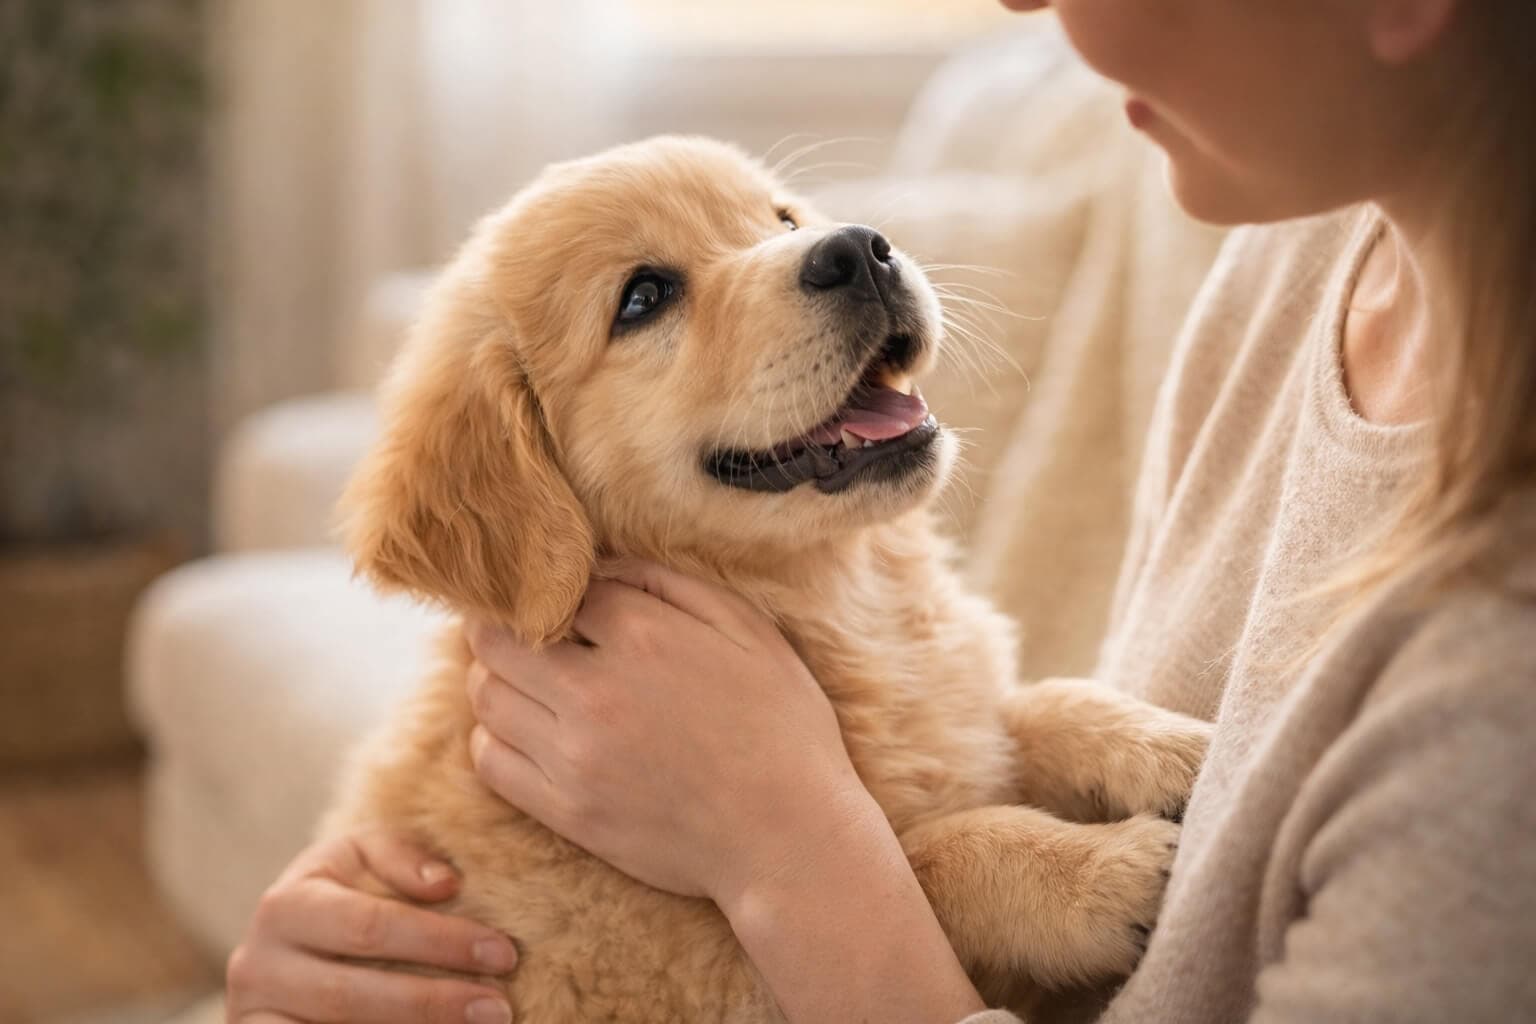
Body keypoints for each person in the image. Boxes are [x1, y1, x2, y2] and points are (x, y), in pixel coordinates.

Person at [224, 1, 1536, 1021]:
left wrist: (793, 851)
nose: (822, 248)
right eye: (647, 300)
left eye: (780, 215)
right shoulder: (1286, 269)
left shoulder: (1487, 720)